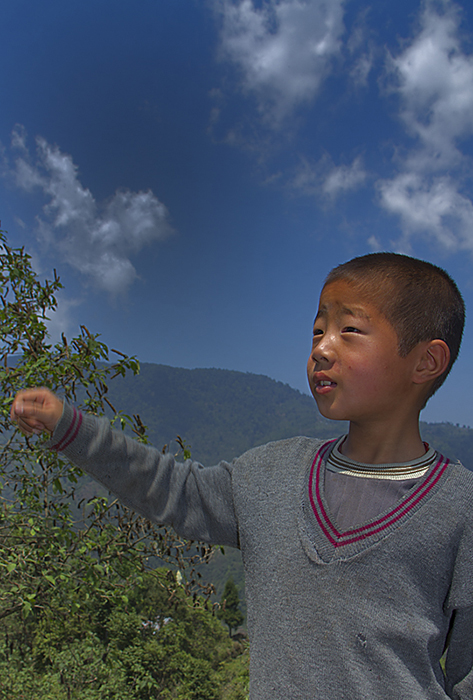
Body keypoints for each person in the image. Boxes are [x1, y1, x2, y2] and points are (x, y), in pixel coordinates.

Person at [10, 252, 473, 700]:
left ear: (425, 361)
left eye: (349, 330)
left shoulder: (460, 507)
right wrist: (72, 429)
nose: (321, 348)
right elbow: (174, 489)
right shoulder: (271, 475)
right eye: (317, 331)